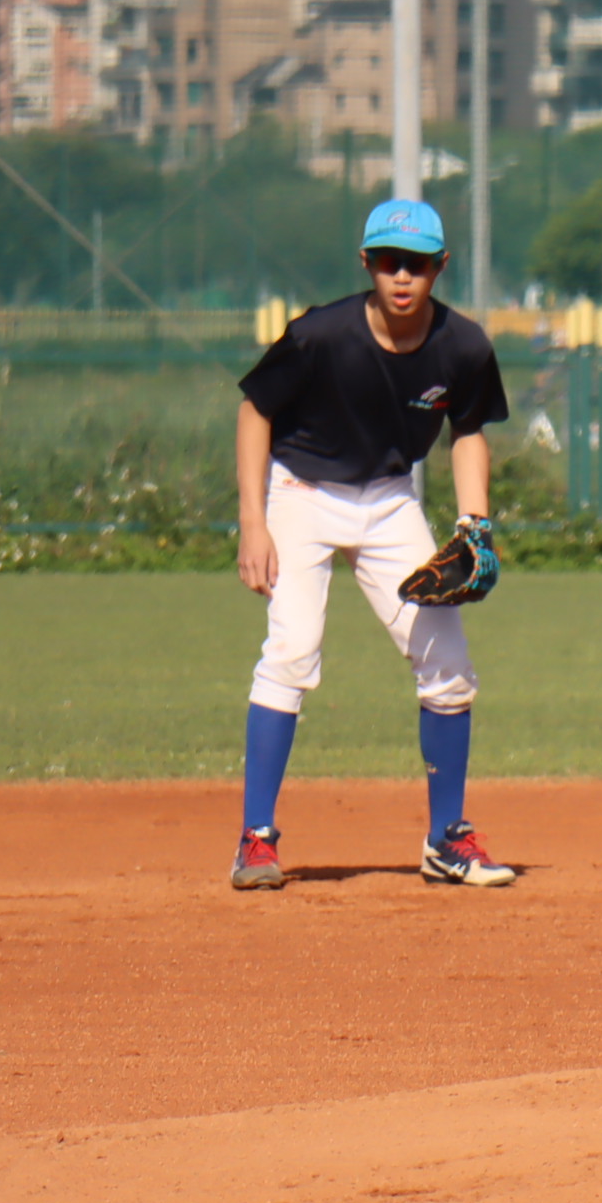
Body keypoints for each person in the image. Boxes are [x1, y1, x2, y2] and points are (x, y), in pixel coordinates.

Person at [230, 198, 516, 892]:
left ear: (440, 267)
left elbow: (467, 433)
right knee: (292, 650)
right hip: (302, 491)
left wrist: (474, 524)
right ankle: (256, 840)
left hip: (389, 500)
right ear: (367, 264)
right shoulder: (320, 336)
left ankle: (446, 840)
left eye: (416, 263)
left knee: (448, 664)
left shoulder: (464, 346)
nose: (402, 276)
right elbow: (256, 409)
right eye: (389, 261)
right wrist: (254, 522)